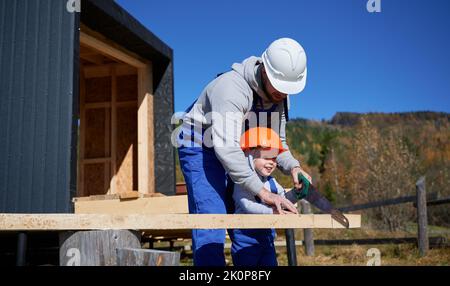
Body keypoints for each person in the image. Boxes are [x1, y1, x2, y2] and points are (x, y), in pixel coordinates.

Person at [177, 38, 311, 266]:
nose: (282, 93)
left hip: (238, 147)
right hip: (201, 144)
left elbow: (275, 142)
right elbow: (227, 150)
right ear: (265, 72)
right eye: (279, 87)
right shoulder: (231, 89)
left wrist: (293, 166)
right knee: (212, 215)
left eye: (287, 89)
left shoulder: (279, 98)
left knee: (247, 213)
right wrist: (262, 191)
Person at [231, 127, 302, 266]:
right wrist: (272, 212)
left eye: (274, 158)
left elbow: (283, 199)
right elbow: (247, 205)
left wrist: (297, 193)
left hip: (267, 239)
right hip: (245, 240)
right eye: (266, 157)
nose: (271, 162)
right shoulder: (241, 181)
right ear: (249, 156)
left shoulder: (272, 181)